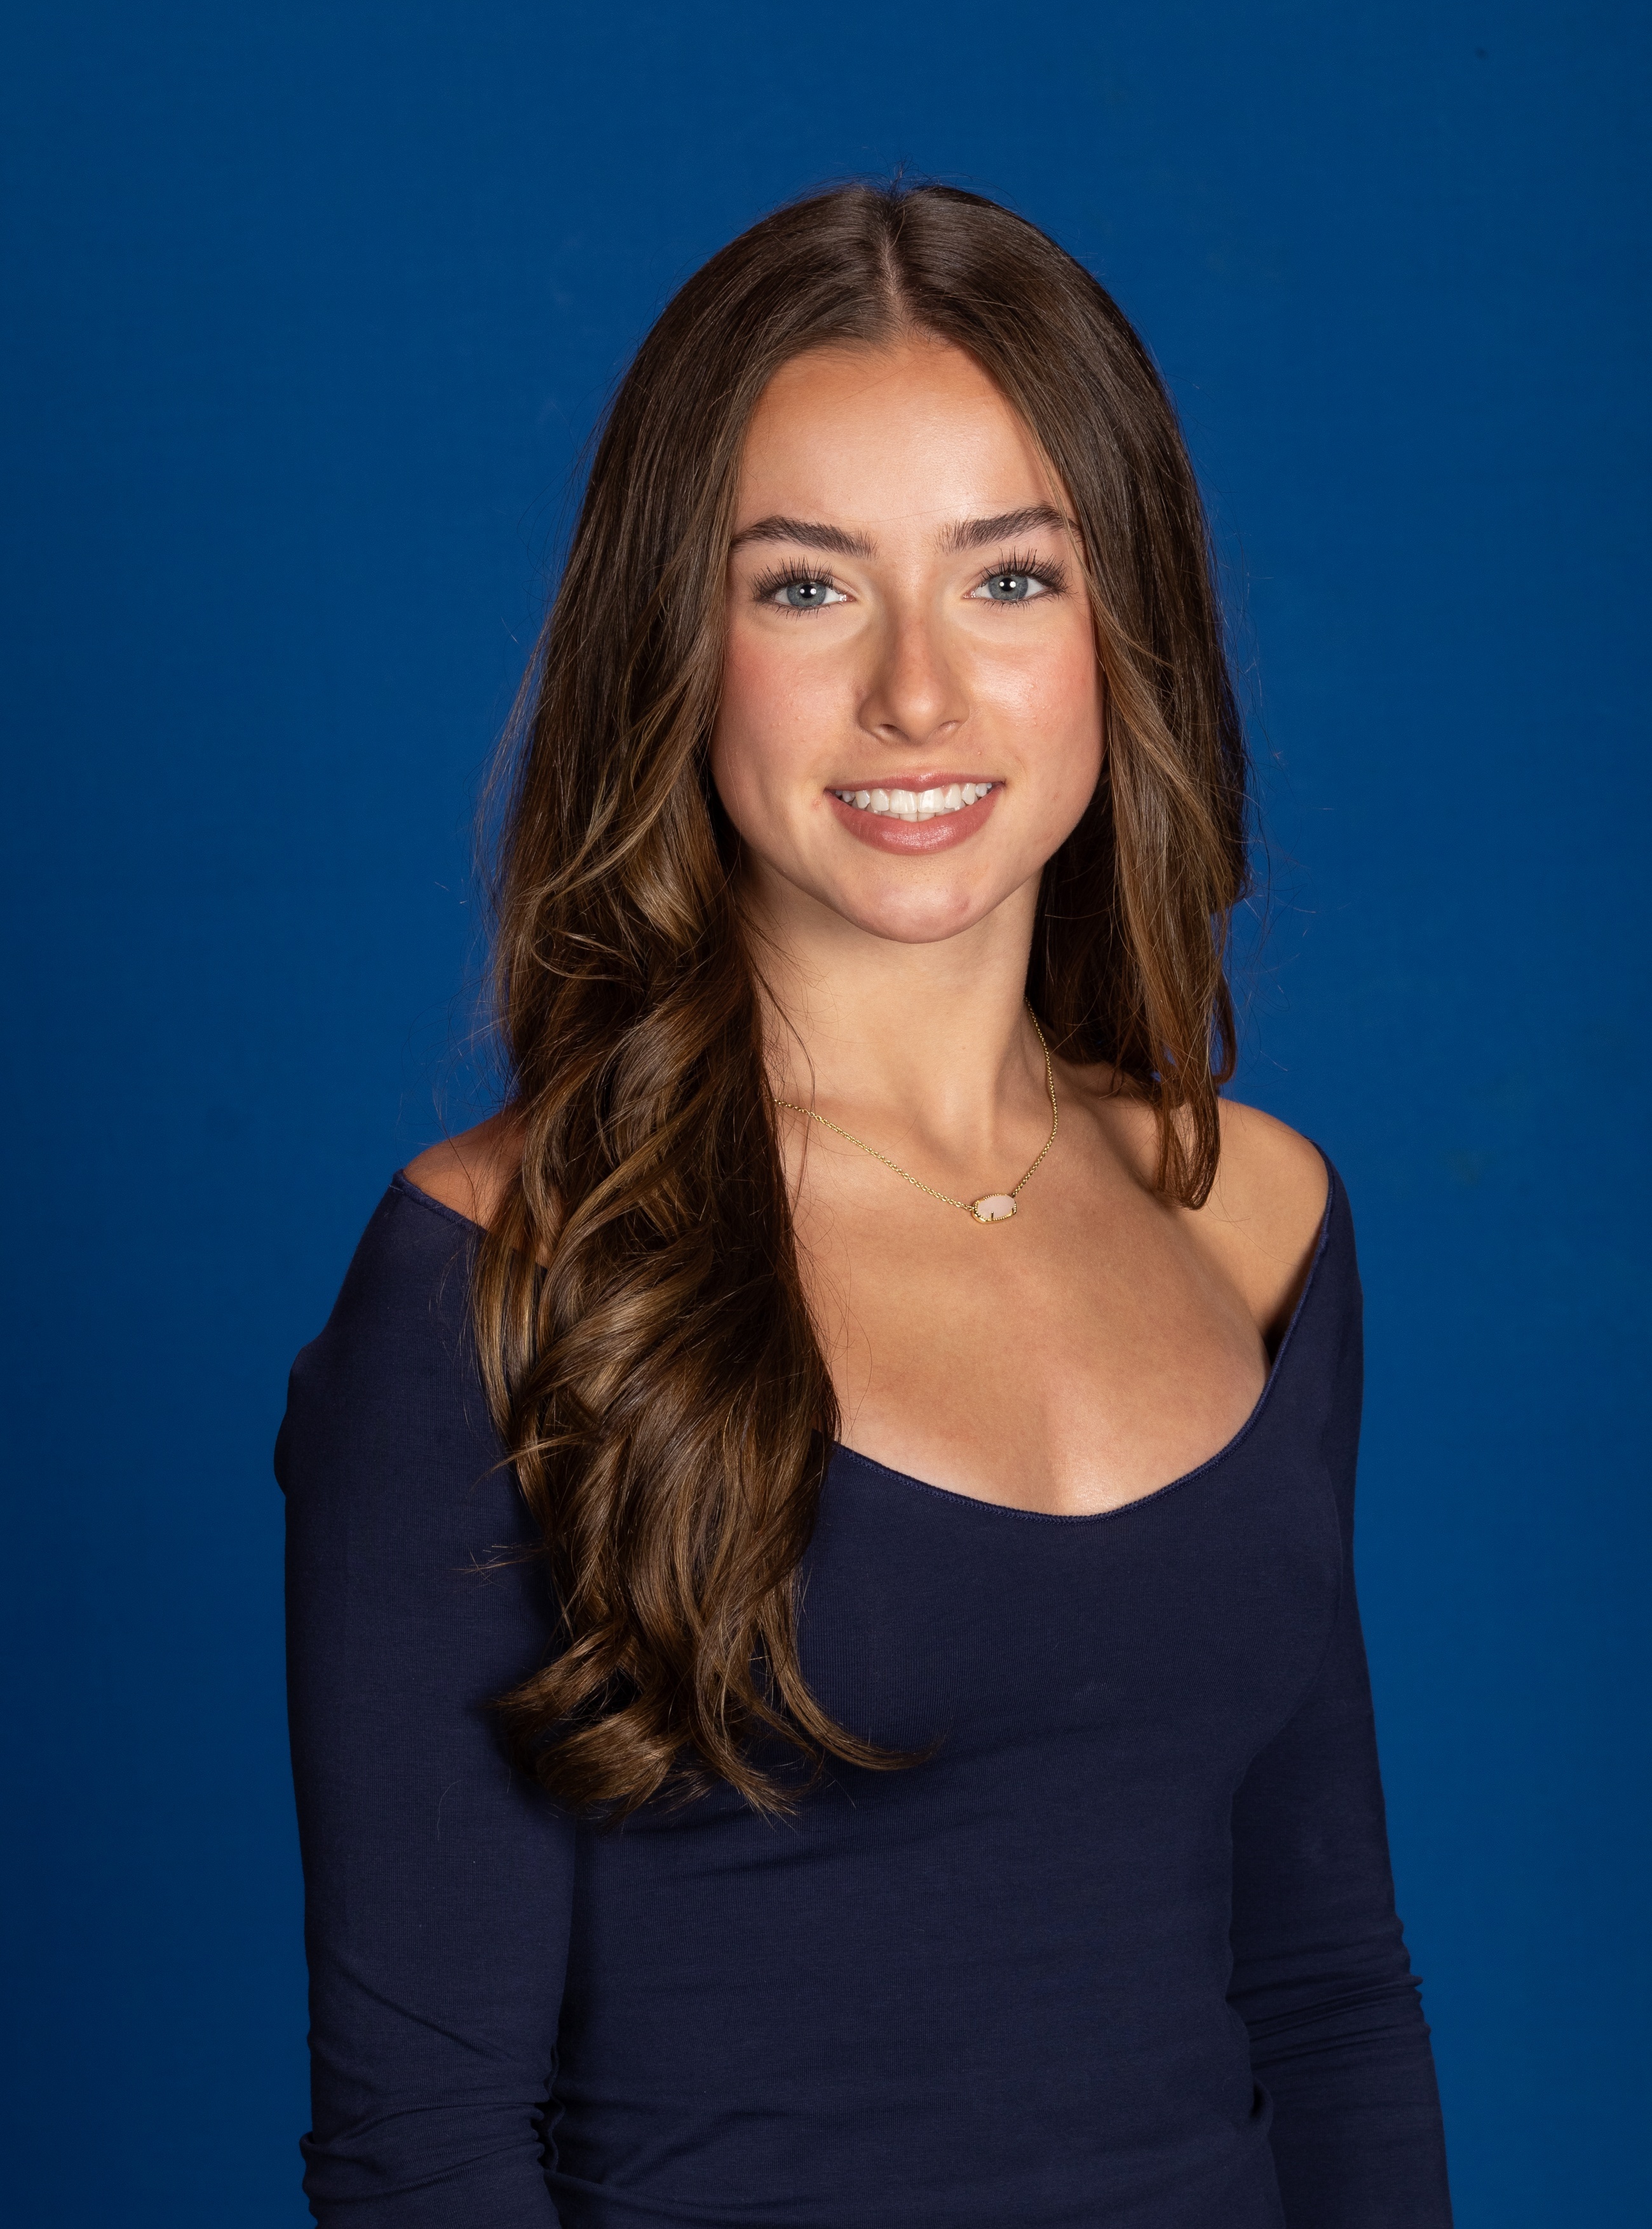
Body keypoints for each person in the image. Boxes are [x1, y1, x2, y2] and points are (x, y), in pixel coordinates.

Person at [278, 181, 1452, 2228]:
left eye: (1011, 576)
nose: (919, 690)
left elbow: (1330, 1991)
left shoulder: (1254, 1221)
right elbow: (424, 2148)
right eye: (808, 587)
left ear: (1123, 629)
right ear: (677, 645)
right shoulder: (502, 1282)